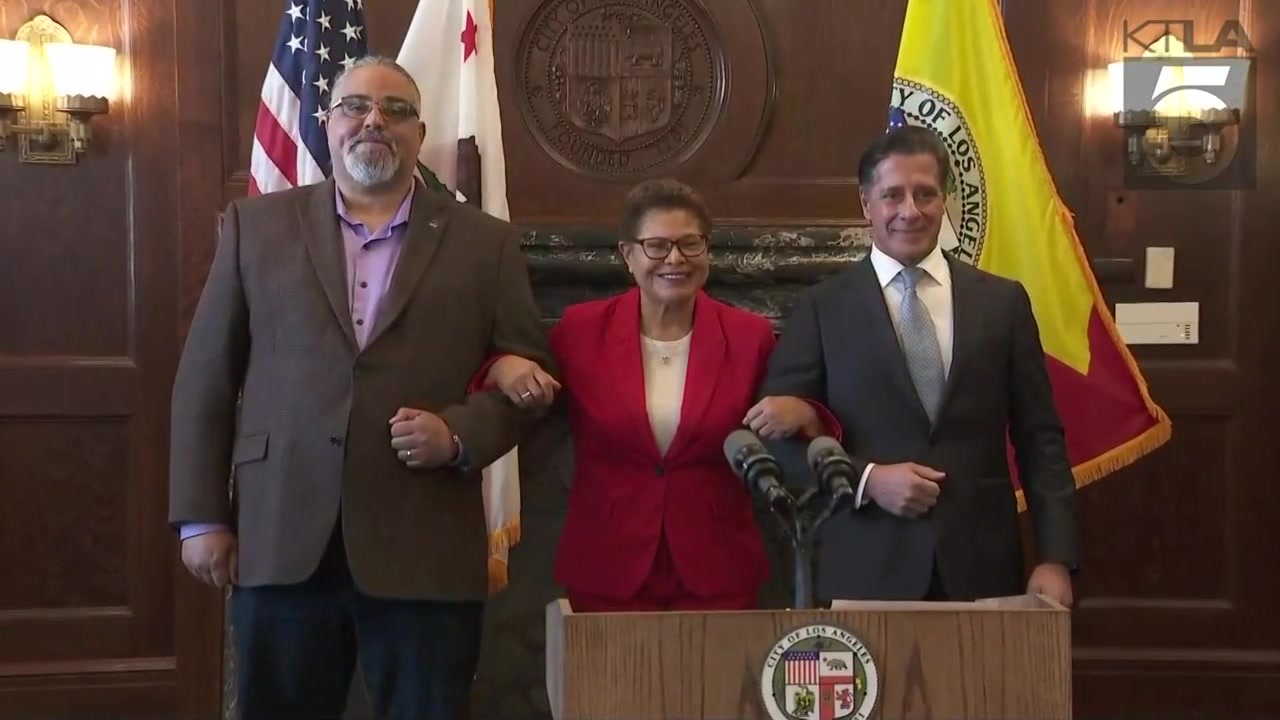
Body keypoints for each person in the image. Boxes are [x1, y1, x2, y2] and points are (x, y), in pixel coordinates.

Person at [167, 56, 553, 720]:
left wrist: (459, 434)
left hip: (423, 544)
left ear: (419, 132)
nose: (374, 120)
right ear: (327, 124)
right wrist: (202, 515)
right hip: (281, 534)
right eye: (354, 107)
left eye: (395, 110)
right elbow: (206, 378)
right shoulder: (255, 228)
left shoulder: (482, 243)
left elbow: (530, 380)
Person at [475, 179, 839, 612]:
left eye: (690, 244)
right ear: (628, 255)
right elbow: (514, 386)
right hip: (609, 564)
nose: (675, 259)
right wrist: (503, 366)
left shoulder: (749, 336)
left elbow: (792, 424)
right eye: (657, 246)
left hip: (717, 567)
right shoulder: (581, 330)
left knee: (713, 683)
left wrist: (806, 415)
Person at [759, 126, 1078, 606]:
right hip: (864, 566)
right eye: (892, 195)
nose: (910, 210)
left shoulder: (1002, 302)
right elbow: (776, 444)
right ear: (866, 203)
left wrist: (1055, 557)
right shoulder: (821, 309)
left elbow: (1041, 438)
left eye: (925, 193)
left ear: (945, 199)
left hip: (981, 568)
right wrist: (867, 480)